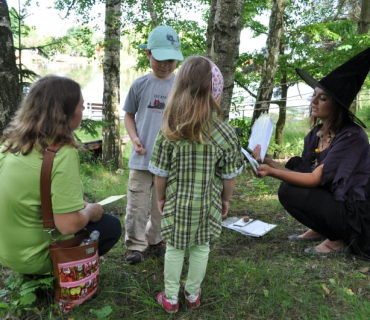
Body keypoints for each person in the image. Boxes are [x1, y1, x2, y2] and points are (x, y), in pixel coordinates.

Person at [149, 56, 244, 313]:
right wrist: (225, 200)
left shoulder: (170, 128)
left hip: (177, 203)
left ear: (180, 88)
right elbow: (229, 176)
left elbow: (160, 173)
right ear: (215, 93)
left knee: (175, 248)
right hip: (207, 203)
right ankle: (192, 294)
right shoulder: (225, 132)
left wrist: (161, 197)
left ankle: (170, 298)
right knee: (201, 247)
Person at [253, 47, 370, 256]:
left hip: (355, 215)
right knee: (293, 168)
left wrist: (271, 173)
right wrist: (268, 162)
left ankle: (337, 239)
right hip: (335, 204)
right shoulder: (316, 134)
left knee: (288, 189)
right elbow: (304, 173)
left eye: (322, 98)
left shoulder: (352, 137)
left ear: (337, 106)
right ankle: (320, 228)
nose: (313, 102)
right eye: (314, 95)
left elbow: (315, 179)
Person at [0, 75, 122, 275]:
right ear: (64, 113)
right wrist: (90, 211)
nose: (83, 110)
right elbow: (68, 225)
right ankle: (56, 275)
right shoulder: (61, 153)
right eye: (80, 106)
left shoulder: (10, 143)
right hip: (34, 257)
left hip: (6, 252)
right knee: (110, 226)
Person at [123, 25, 184, 265]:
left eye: (171, 60)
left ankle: (156, 238)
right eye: (160, 59)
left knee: (162, 204)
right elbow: (128, 114)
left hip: (169, 160)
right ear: (148, 54)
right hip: (141, 157)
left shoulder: (181, 86)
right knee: (137, 203)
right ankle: (135, 245)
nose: (166, 65)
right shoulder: (140, 85)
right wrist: (134, 137)